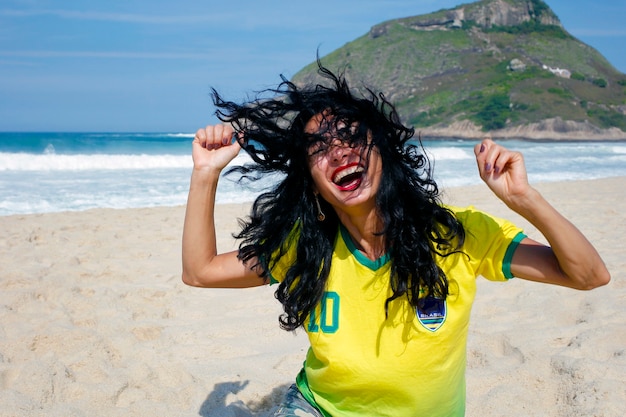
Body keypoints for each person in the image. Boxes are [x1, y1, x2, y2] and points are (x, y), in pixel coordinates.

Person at [181, 63, 610, 417]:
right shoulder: (305, 246)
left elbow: (589, 275)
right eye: (320, 148)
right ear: (312, 184)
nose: (340, 152)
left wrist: (524, 199)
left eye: (351, 136)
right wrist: (205, 173)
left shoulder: (457, 235)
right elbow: (200, 272)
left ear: (383, 150)